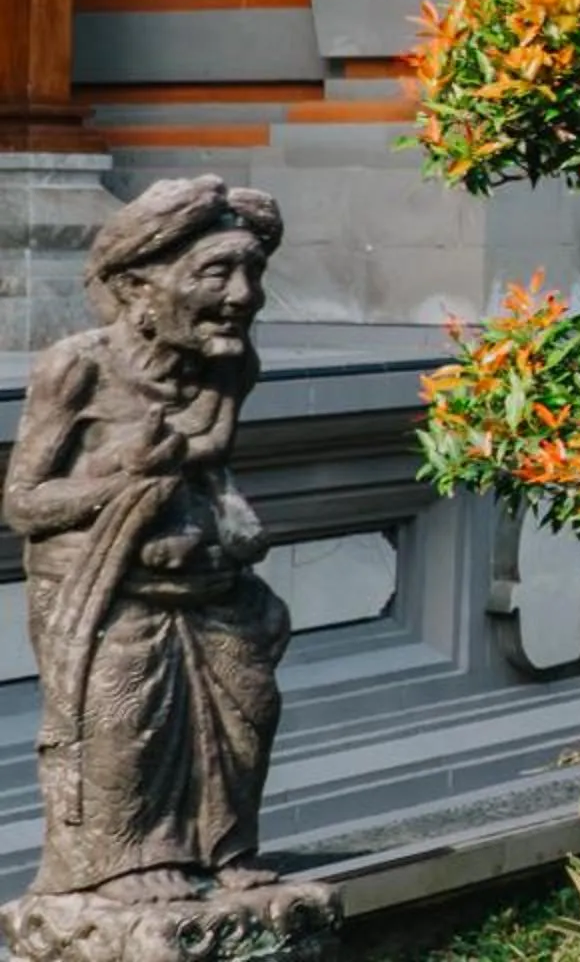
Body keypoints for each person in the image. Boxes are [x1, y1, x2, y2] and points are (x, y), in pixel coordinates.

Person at [4, 178, 292, 902]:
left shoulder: (228, 365)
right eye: (216, 272)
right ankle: (125, 862)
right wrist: (126, 478)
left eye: (252, 271)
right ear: (138, 286)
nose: (244, 293)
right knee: (122, 729)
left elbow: (210, 458)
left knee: (246, 714)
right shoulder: (77, 366)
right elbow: (25, 503)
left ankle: (221, 846)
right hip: (109, 595)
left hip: (207, 584)